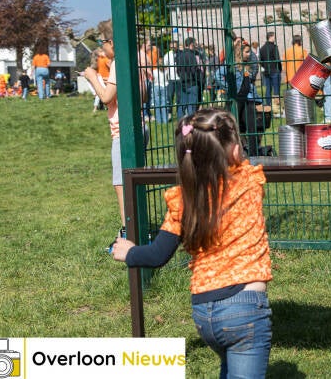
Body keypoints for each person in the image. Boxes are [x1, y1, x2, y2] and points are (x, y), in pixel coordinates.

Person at [112, 108, 272, 378]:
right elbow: (240, 163)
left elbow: (157, 255)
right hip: (245, 310)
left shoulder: (184, 202)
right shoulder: (248, 182)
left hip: (204, 313)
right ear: (234, 152)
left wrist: (129, 253)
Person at [81, 20, 142, 252]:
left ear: (112, 43)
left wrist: (92, 77)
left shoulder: (118, 62)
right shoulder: (134, 60)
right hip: (137, 126)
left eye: (102, 42)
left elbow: (106, 98)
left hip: (122, 133)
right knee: (133, 181)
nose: (101, 47)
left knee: (121, 183)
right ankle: (137, 226)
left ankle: (128, 233)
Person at [178, 37, 203, 117]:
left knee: (182, 105)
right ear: (191, 44)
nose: (195, 46)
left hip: (183, 82)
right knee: (192, 107)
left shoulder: (180, 55)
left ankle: (180, 123)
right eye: (195, 44)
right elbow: (194, 70)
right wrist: (199, 78)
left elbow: (178, 70)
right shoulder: (191, 55)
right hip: (192, 83)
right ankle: (191, 123)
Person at [258, 31, 282, 115]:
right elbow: (277, 59)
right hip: (275, 70)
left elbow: (260, 61)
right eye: (274, 36)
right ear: (271, 37)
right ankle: (276, 108)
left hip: (266, 71)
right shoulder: (274, 47)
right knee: (276, 90)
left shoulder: (262, 48)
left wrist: (265, 66)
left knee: (268, 89)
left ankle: (268, 107)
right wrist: (280, 68)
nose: (274, 38)